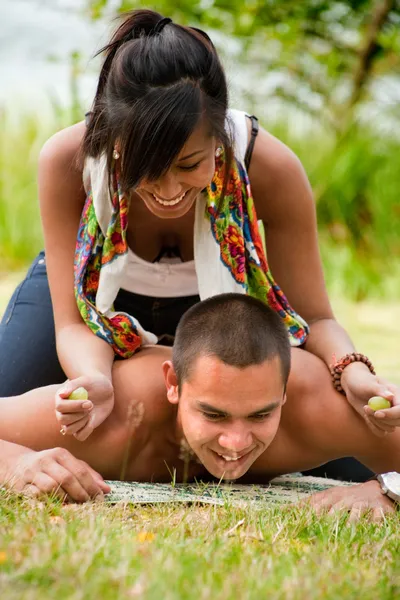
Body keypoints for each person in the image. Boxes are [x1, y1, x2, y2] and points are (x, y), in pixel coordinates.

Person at [0, 10, 398, 480]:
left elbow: (315, 317)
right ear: (115, 144)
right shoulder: (67, 159)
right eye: (147, 168)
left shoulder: (271, 168)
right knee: (34, 412)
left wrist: (349, 369)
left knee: (348, 461)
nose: (168, 191)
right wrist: (95, 380)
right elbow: (72, 323)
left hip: (219, 306)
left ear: (219, 142)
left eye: (189, 164)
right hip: (90, 300)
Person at [1, 294, 399, 520]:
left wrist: (386, 490)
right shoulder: (112, 417)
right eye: (214, 413)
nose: (235, 441)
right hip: (93, 288)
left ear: (283, 394)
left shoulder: (317, 409)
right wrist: (16, 463)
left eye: (261, 414)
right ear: (173, 385)